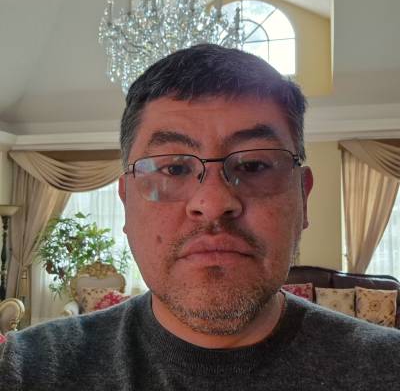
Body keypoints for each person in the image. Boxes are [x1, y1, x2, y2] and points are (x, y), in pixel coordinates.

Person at [1, 44, 399, 391]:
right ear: (125, 202)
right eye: (173, 168)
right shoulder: (26, 370)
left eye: (255, 165)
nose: (213, 202)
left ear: (303, 198)